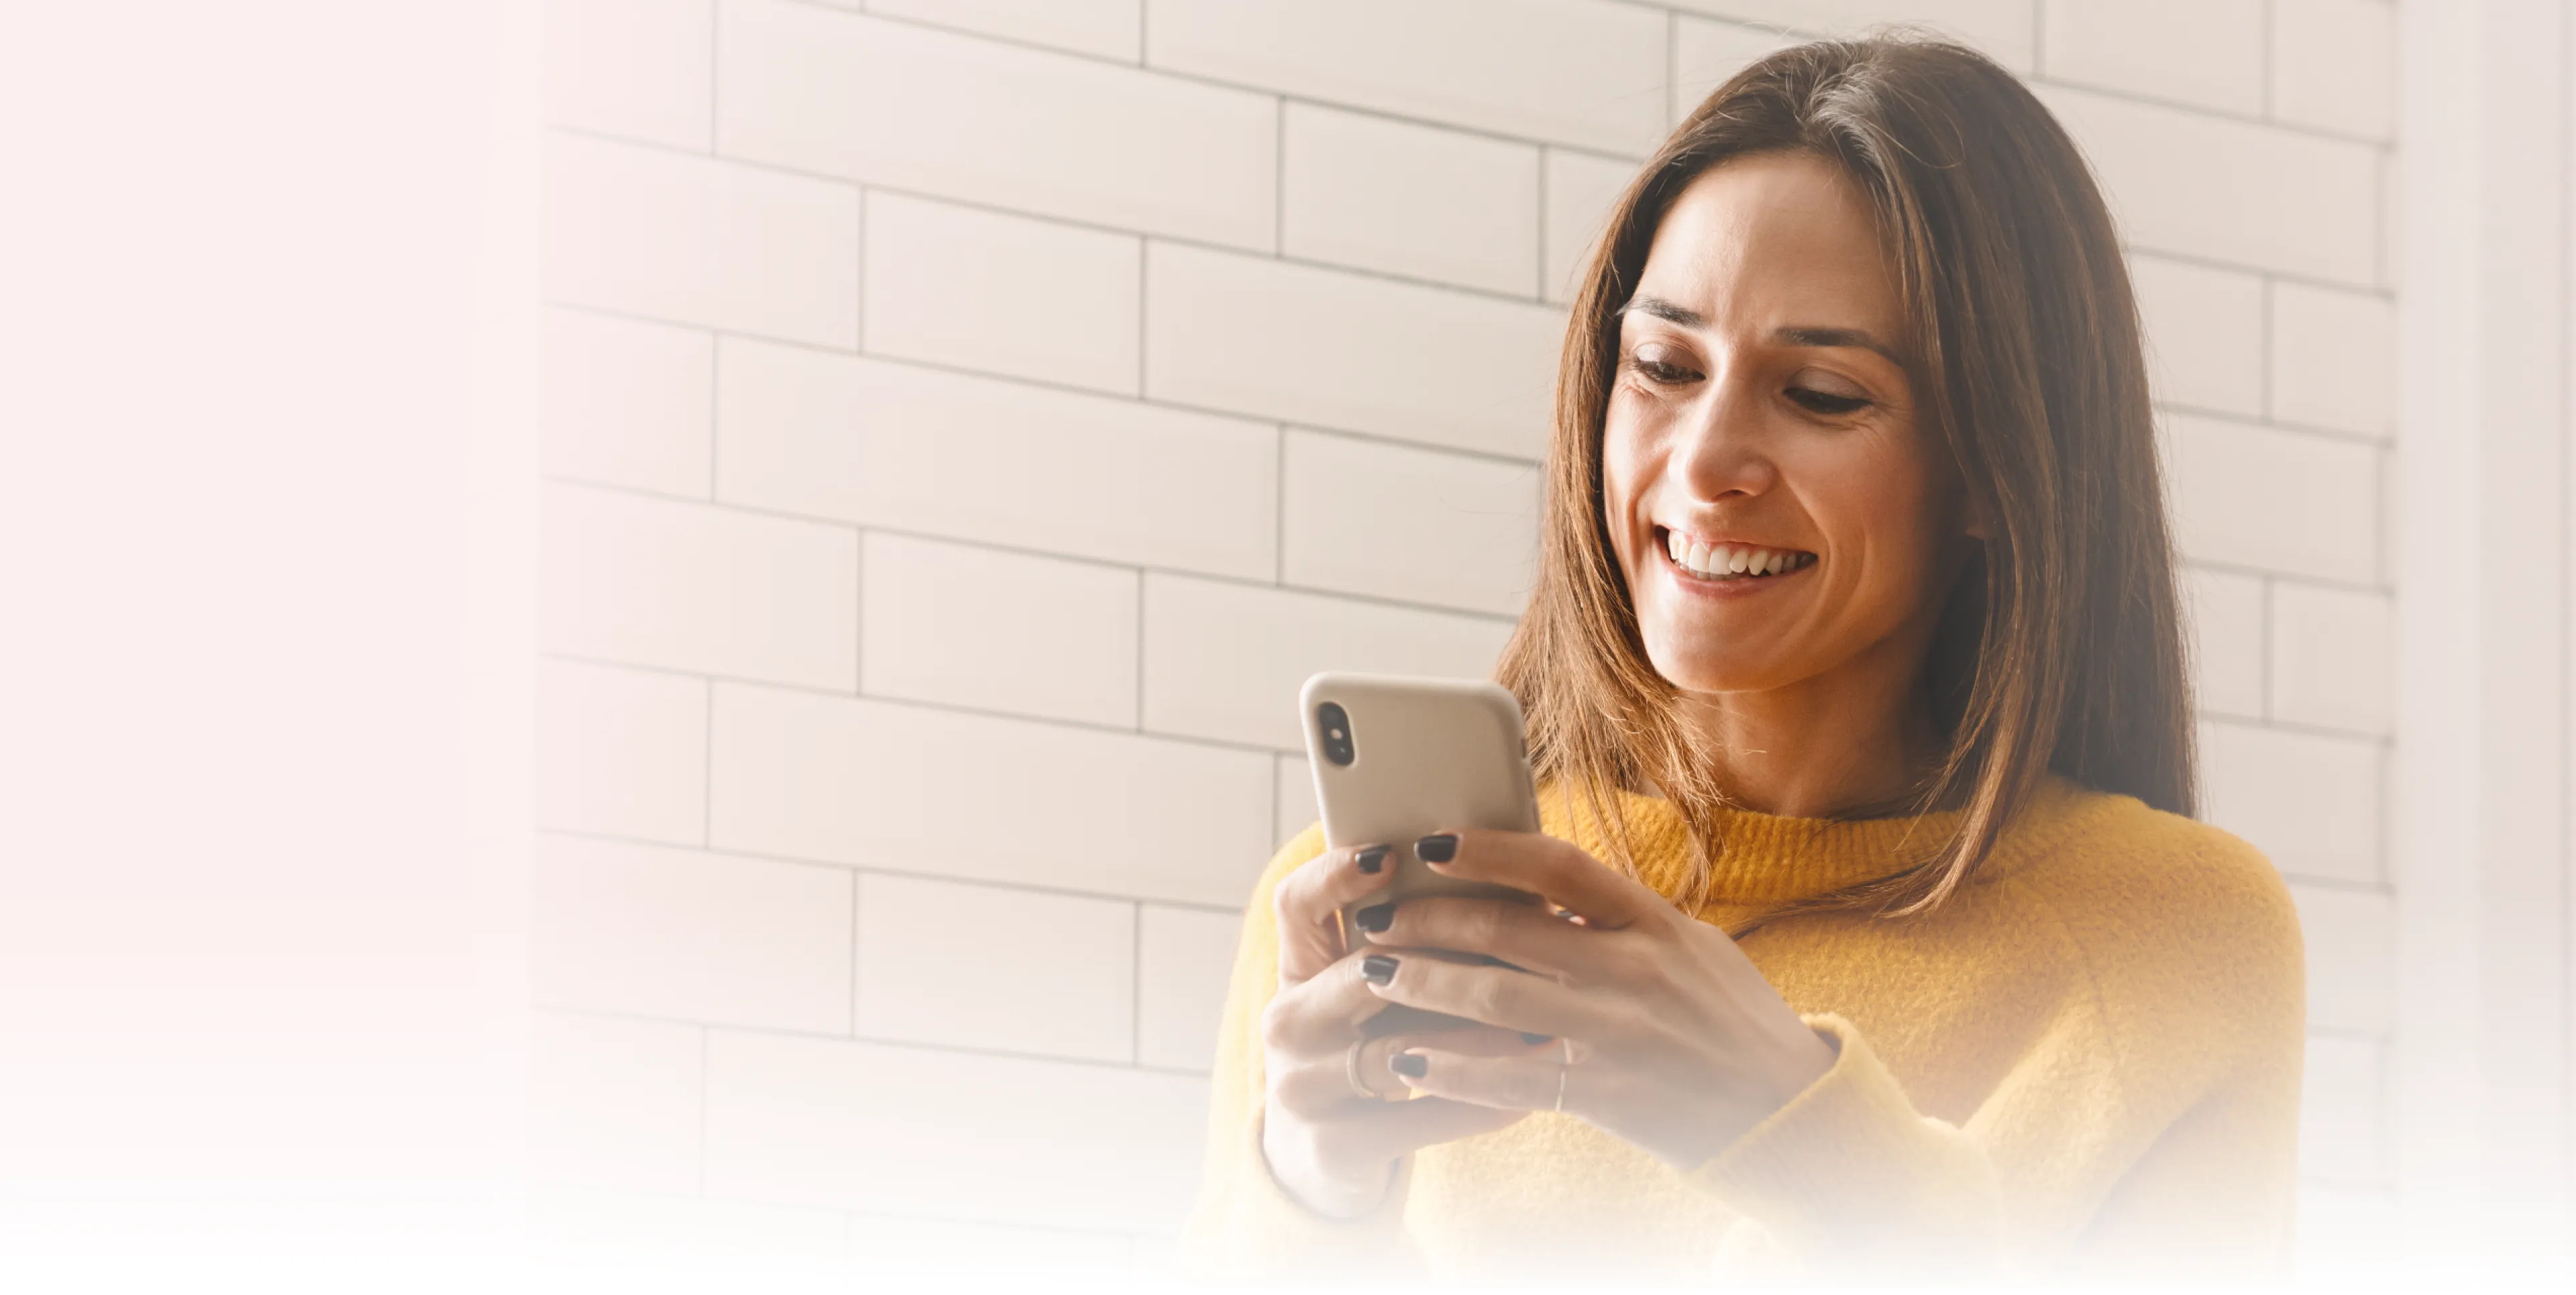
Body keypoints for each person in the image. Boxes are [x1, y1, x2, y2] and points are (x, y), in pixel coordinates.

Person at [1183, 35, 2305, 1284]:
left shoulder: (2178, 941)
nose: (1706, 460)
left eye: (1820, 393)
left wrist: (1783, 1119)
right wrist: (1313, 1199)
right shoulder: (1356, 912)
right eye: (1664, 368)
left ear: (1997, 471)